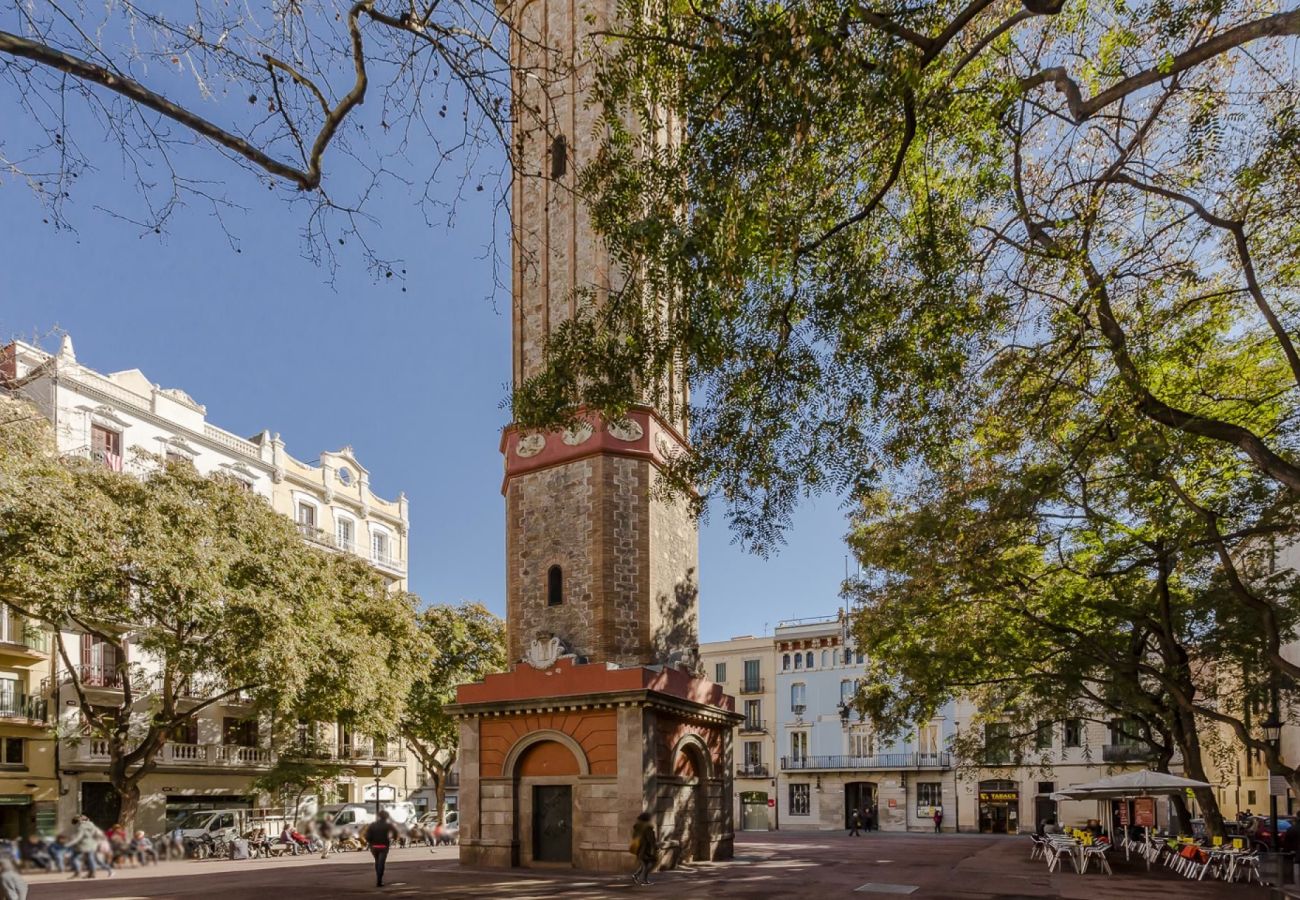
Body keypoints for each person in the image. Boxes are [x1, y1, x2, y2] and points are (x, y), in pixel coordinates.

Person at [365, 810, 399, 888]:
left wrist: (371, 842)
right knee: (381, 862)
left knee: (377, 861)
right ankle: (379, 880)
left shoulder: (372, 825)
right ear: (386, 817)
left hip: (374, 846)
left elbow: (367, 836)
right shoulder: (388, 825)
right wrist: (393, 838)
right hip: (384, 845)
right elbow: (395, 833)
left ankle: (378, 878)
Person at [630, 812, 659, 886]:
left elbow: (634, 837)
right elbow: (651, 839)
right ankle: (644, 880)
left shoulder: (637, 827)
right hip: (646, 849)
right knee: (649, 864)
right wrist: (655, 847)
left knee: (644, 864)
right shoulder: (647, 827)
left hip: (638, 848)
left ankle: (636, 875)